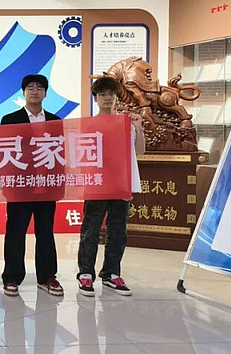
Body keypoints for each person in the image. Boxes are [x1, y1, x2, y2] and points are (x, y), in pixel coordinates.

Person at [77, 77, 144, 297]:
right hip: (97, 184)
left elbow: (140, 151)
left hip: (121, 183)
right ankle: (85, 273)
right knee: (91, 231)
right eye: (102, 94)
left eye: (111, 94)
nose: (107, 98)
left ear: (117, 97)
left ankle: (111, 273)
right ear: (95, 99)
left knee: (118, 231)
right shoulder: (88, 124)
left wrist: (138, 128)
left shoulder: (126, 123)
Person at [0, 74, 64, 297]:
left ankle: (47, 277)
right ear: (23, 92)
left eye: (39, 88)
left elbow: (60, 154)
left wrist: (59, 184)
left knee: (45, 232)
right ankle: (11, 277)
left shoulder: (55, 121)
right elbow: (3, 153)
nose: (34, 91)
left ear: (45, 93)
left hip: (46, 185)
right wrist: (7, 183)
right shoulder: (10, 119)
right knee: (15, 232)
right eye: (30, 87)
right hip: (20, 186)